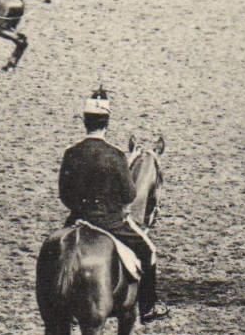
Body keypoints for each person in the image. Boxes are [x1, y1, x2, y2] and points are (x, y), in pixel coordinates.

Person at [58, 89, 168, 322]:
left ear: (85, 122)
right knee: (149, 252)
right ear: (106, 123)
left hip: (76, 219)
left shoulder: (71, 153)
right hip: (109, 222)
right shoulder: (116, 154)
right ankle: (148, 306)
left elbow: (64, 195)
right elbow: (129, 195)